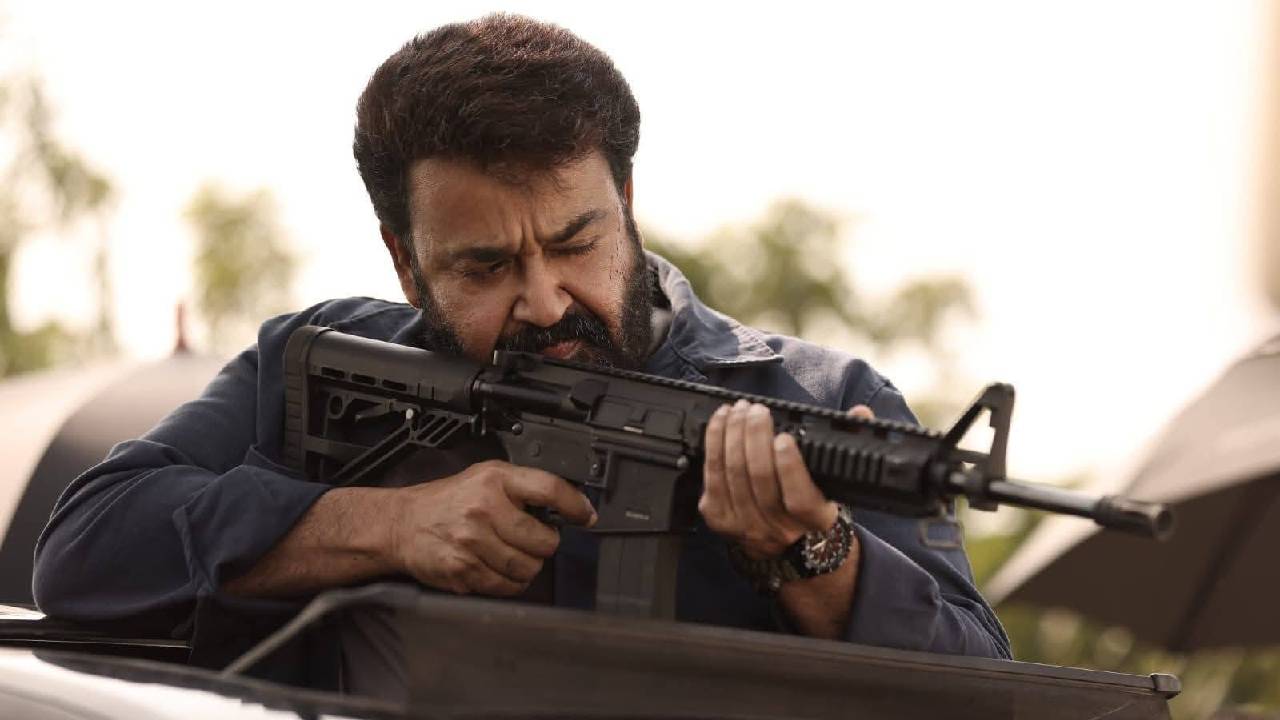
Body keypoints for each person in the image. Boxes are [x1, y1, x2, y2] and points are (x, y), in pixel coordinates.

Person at [32, 13, 1009, 692]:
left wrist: (814, 556)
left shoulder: (822, 398)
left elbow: (989, 692)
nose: (544, 301)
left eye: (576, 243)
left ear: (626, 206)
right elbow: (83, 550)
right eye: (487, 266)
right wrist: (384, 526)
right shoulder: (318, 360)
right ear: (405, 263)